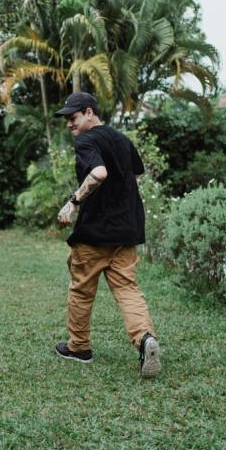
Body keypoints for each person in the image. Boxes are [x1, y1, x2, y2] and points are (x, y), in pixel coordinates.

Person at [53, 92, 161, 378]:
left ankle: (79, 348)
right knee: (127, 289)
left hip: (95, 231)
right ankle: (145, 339)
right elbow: (135, 173)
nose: (69, 124)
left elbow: (99, 173)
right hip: (126, 229)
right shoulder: (121, 139)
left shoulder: (86, 140)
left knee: (81, 290)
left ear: (89, 112)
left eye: (73, 117)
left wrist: (72, 202)